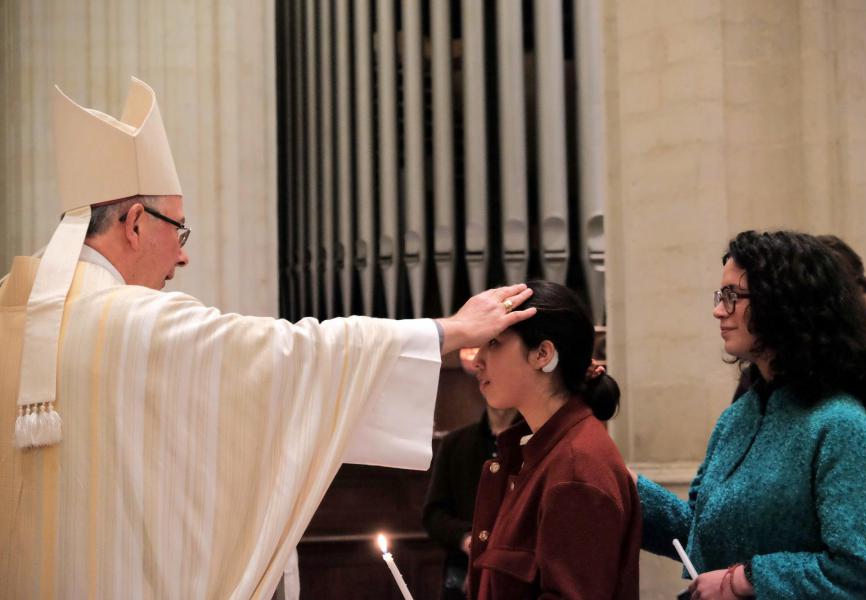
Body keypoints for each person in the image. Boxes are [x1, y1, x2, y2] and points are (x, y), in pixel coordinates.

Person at [0, 77, 536, 599]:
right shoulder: (139, 322)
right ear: (136, 223)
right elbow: (299, 354)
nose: (183, 254)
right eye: (178, 229)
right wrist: (450, 329)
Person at [636, 230, 866, 599]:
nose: (718, 310)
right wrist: (621, 486)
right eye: (719, 296)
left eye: (732, 296)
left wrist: (744, 579)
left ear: (783, 304)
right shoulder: (738, 417)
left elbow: (862, 573)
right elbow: (699, 530)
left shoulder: (840, 426)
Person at [466, 280, 641, 600]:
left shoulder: (576, 469)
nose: (476, 360)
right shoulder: (540, 452)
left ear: (543, 354)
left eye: (493, 343)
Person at [423, 401, 520, 600]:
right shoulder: (455, 442)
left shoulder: (534, 441)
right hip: (461, 575)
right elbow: (434, 515)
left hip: (515, 577)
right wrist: (469, 539)